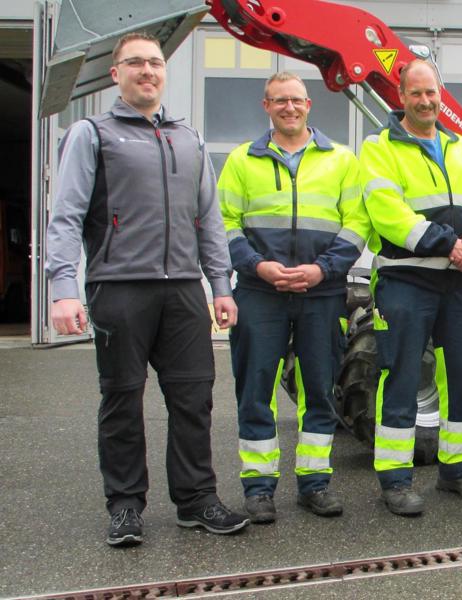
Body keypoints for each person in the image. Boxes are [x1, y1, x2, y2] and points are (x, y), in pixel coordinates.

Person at [44, 32, 249, 547]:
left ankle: (197, 500)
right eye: (135, 63)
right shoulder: (92, 134)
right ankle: (126, 506)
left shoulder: (188, 138)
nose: (147, 71)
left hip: (182, 290)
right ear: (117, 74)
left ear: (164, 72)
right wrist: (62, 288)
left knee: (193, 398)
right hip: (120, 289)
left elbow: (208, 220)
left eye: (155, 63)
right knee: (121, 400)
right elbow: (66, 217)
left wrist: (221, 284)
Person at [218, 71, 368, 524]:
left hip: (321, 293)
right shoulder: (242, 161)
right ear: (266, 106)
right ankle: (260, 488)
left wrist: (322, 269)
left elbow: (356, 223)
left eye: (296, 100)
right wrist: (257, 266)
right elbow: (223, 223)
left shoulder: (341, 160)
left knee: (320, 389)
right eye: (279, 100)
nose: (289, 107)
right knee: (255, 388)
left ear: (309, 105)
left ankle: (315, 483)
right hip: (260, 292)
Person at [359, 59, 462, 516]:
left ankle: (457, 470)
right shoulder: (379, 148)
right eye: (415, 93)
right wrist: (448, 243)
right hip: (405, 280)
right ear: (401, 96)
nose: (425, 101)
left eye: (431, 93)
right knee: (398, 376)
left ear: (442, 94)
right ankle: (395, 480)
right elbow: (389, 214)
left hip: (454, 284)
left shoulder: (458, 146)